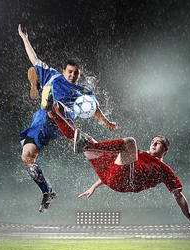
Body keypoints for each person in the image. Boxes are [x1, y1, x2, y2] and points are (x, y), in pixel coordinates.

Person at [47, 104, 190, 234]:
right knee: (84, 137)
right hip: (110, 175)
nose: (154, 143)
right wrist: (93, 187)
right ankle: (55, 116)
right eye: (153, 141)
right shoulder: (138, 154)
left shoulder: (164, 169)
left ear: (165, 150)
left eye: (158, 143)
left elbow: (178, 196)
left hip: (126, 182)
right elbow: (115, 168)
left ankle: (90, 145)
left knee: (129, 142)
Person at [18, 24, 119, 213]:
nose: (73, 75)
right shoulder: (54, 75)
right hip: (40, 121)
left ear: (79, 74)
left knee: (56, 111)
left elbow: (94, 108)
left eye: (76, 73)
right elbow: (34, 59)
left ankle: (51, 103)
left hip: (61, 121)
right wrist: (25, 38)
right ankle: (47, 191)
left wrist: (106, 122)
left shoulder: (83, 91)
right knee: (27, 157)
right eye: (70, 72)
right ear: (64, 71)